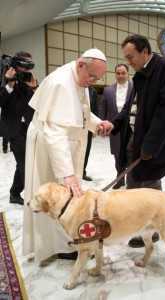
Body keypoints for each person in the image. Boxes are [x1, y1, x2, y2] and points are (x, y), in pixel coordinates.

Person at [23, 48, 113, 264]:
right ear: (81, 64)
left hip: (63, 147)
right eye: (91, 76)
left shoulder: (79, 79)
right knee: (51, 195)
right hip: (49, 148)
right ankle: (52, 245)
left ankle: (64, 241)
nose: (92, 81)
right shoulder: (61, 83)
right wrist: (67, 174)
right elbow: (55, 133)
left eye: (97, 78)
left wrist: (97, 123)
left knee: (65, 196)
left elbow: (80, 111)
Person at [111, 34, 165, 247]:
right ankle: (137, 227)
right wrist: (115, 124)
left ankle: (153, 230)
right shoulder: (140, 74)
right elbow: (131, 106)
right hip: (137, 138)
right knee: (133, 185)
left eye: (131, 57)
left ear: (145, 52)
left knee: (150, 188)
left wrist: (150, 145)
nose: (129, 61)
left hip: (154, 142)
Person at [0, 51, 37, 204]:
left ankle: (14, 193)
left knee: (23, 163)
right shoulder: (7, 78)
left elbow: (36, 103)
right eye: (24, 68)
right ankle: (29, 195)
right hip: (14, 130)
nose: (27, 71)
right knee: (26, 165)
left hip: (28, 128)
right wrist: (9, 84)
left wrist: (35, 89)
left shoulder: (30, 79)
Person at [101, 64, 134, 188]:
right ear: (115, 74)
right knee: (117, 154)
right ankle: (120, 179)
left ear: (128, 74)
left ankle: (131, 180)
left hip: (130, 127)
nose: (120, 75)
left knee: (130, 153)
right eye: (118, 73)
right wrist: (102, 126)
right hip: (114, 127)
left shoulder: (134, 88)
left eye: (123, 73)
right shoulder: (107, 90)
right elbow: (103, 108)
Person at [82, 86, 98, 181]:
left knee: (86, 150)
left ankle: (82, 172)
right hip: (75, 126)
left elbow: (95, 110)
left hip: (88, 126)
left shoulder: (93, 91)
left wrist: (95, 127)